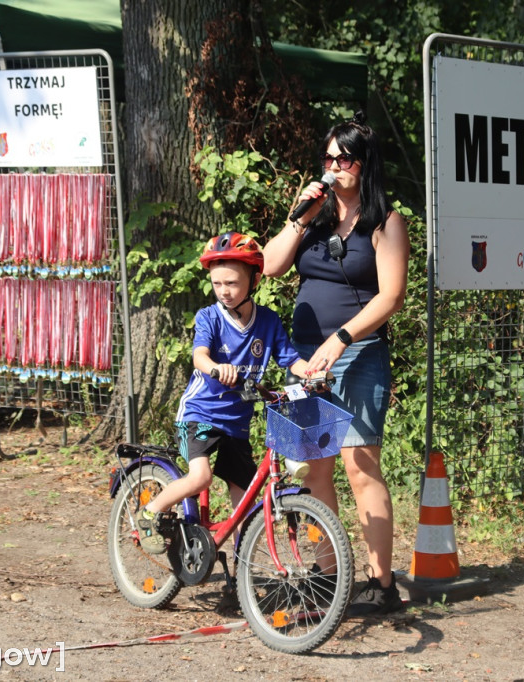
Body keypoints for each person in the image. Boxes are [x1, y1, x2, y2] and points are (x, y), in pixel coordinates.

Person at [263, 112, 410, 615]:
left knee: (360, 466)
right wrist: (301, 215)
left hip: (358, 355)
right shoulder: (315, 217)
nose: (334, 167)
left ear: (364, 164)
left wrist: (343, 339)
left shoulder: (385, 222)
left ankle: (380, 584)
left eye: (343, 158)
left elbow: (391, 296)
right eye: (327, 158)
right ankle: (327, 577)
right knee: (310, 469)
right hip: (303, 359)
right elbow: (268, 264)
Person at [137, 232, 317, 554]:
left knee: (243, 499)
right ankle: (151, 512)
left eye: (232, 283)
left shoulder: (269, 322)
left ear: (254, 279)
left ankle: (240, 569)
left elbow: (291, 360)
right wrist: (217, 368)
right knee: (201, 477)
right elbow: (199, 356)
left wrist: (314, 373)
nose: (224, 292)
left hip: (238, 420)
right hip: (201, 413)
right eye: (217, 284)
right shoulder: (209, 317)